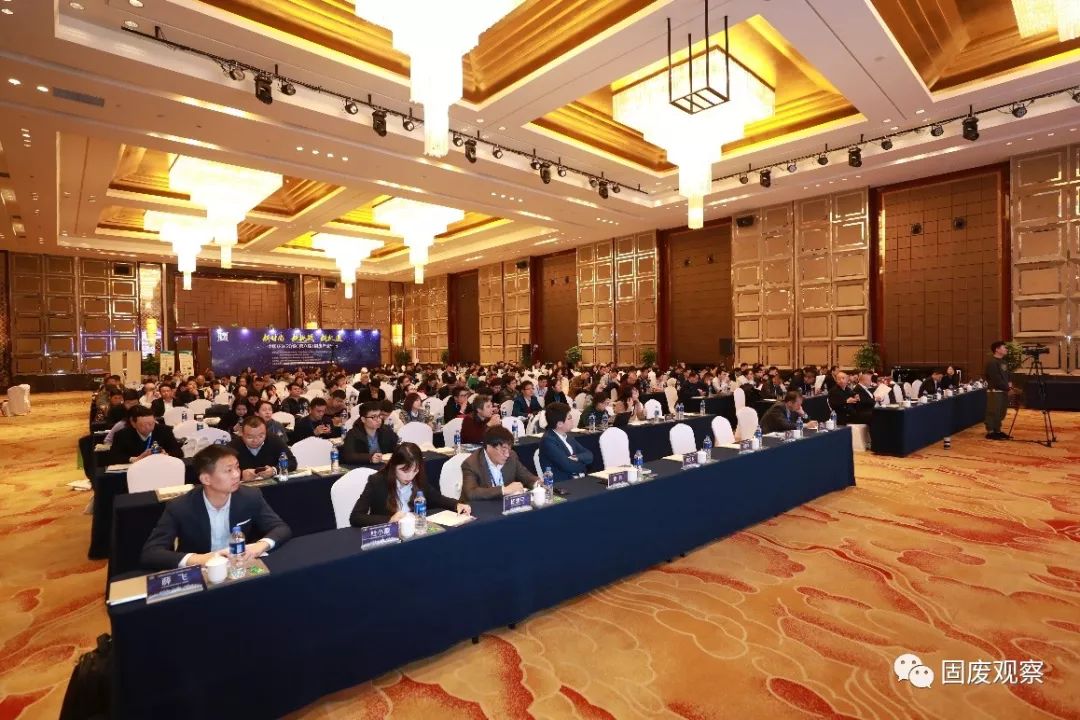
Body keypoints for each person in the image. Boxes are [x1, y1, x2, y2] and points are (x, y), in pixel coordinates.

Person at [140, 444, 291, 570]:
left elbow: (280, 528)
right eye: (228, 470)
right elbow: (151, 553)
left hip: (239, 567)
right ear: (206, 479)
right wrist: (201, 559)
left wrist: (259, 546)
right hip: (201, 571)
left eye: (237, 468)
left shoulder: (250, 496)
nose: (236, 475)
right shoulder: (180, 506)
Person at [349, 442, 470, 526]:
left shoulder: (419, 478)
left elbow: (437, 498)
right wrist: (389, 519)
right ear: (393, 466)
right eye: (404, 471)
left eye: (415, 470)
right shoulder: (377, 481)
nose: (410, 476)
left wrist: (456, 505)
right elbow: (356, 517)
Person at [460, 426, 540, 500]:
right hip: (479, 508)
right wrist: (503, 490)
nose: (507, 454)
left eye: (509, 449)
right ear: (489, 447)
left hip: (505, 505)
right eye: (503, 450)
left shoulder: (512, 456)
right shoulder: (471, 464)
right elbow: (471, 493)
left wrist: (538, 484)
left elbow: (526, 477)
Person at [538, 402, 593, 482]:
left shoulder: (567, 436)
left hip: (576, 480)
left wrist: (577, 457)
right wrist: (584, 465)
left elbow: (589, 455)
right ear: (560, 424)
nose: (572, 420)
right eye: (569, 418)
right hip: (561, 484)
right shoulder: (548, 441)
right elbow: (569, 466)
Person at [108, 406, 183, 464]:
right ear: (133, 423)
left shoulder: (164, 430)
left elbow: (179, 452)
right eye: (143, 425)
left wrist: (166, 454)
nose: (148, 427)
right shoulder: (122, 435)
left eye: (151, 424)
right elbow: (113, 457)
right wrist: (135, 459)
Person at [229, 415, 297, 479]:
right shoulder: (232, 447)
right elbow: (224, 471)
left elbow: (292, 462)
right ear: (241, 434)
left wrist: (274, 470)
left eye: (261, 436)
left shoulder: (274, 440)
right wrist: (241, 474)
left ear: (266, 432)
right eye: (250, 437)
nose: (255, 440)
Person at [984, 341, 1011, 440]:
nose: (1006, 349)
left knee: (1001, 412)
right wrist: (1007, 388)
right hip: (994, 391)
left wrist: (1010, 384)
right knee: (993, 411)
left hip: (1003, 390)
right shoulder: (992, 362)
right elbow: (996, 379)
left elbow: (1007, 375)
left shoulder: (1003, 362)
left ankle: (997, 430)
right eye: (1004, 347)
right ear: (997, 349)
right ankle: (990, 432)